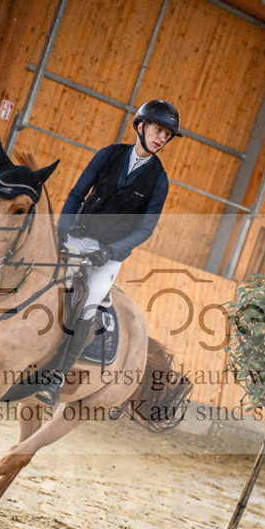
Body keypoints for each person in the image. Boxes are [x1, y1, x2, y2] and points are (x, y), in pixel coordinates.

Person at [36, 99, 181, 406]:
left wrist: (112, 251)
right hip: (77, 237)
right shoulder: (108, 155)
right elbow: (77, 194)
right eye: (158, 130)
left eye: (167, 135)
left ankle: (57, 376)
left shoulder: (159, 180)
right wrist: (63, 228)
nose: (162, 138)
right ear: (140, 127)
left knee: (88, 304)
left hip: (108, 256)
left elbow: (145, 230)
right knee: (35, 269)